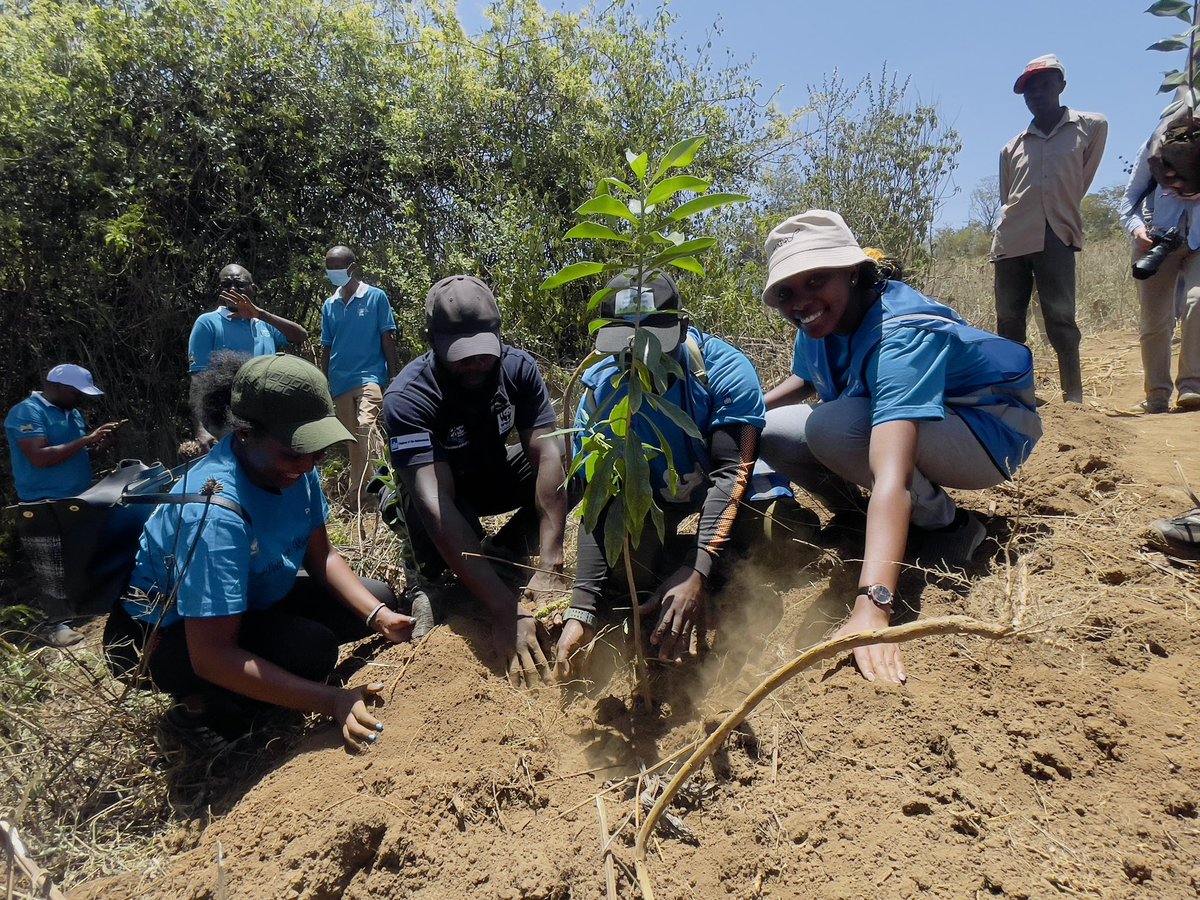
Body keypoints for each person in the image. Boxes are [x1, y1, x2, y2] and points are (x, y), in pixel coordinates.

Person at [759, 210, 1043, 685]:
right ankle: (861, 518)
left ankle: (950, 528)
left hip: (991, 436)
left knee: (833, 426)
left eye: (815, 280)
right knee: (771, 427)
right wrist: (738, 414)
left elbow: (890, 473)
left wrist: (874, 605)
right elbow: (805, 379)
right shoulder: (822, 321)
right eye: (787, 292)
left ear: (852, 271)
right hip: (937, 429)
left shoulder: (899, 332)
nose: (801, 300)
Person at [102, 354, 414, 752]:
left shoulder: (295, 466)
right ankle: (204, 713)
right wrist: (331, 699)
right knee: (311, 650)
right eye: (294, 453)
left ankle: (272, 667)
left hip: (248, 597)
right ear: (245, 433)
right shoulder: (214, 514)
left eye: (316, 451)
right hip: (165, 637)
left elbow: (321, 557)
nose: (306, 465)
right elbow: (211, 656)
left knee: (380, 597)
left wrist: (379, 616)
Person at [553, 271, 768, 677]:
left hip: (721, 494)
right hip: (656, 500)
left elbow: (731, 473)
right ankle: (675, 566)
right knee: (625, 566)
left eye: (654, 344)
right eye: (625, 346)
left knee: (771, 538)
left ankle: (704, 568)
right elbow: (600, 501)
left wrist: (697, 570)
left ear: (681, 328)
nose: (640, 359)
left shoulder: (724, 371)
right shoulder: (600, 393)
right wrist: (581, 607)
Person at [382, 275, 567, 687]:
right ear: (432, 341)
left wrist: (552, 560)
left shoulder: (518, 369)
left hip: (494, 474)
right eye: (460, 355)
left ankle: (503, 551)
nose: (475, 363)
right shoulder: (409, 397)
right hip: (447, 497)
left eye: (483, 352)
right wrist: (505, 610)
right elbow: (437, 505)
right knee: (418, 498)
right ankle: (427, 582)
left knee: (569, 457)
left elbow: (547, 452)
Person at [991, 54, 1107, 403]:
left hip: (1056, 234)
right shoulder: (1011, 147)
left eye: (1043, 85)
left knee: (1060, 316)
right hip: (1011, 240)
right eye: (1029, 89)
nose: (1036, 94)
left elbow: (1081, 179)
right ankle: (1017, 394)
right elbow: (1007, 197)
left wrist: (1060, 209)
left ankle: (1073, 396)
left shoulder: (1090, 126)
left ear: (1061, 85)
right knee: (1009, 319)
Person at [5, 363, 120, 646]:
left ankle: (86, 609)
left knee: (79, 557)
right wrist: (85, 441)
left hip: (76, 497)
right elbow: (39, 457)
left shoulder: (73, 412)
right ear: (56, 387)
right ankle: (58, 625)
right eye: (76, 392)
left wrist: (95, 447)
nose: (80, 398)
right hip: (42, 503)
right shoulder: (27, 412)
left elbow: (71, 454)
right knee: (50, 565)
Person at [1118, 128, 1200, 413]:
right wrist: (1138, 230)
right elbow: (1129, 200)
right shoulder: (1154, 145)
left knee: (1197, 301)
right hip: (1159, 240)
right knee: (1155, 321)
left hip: (1199, 242)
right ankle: (1157, 393)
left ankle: (1191, 386)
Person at [188, 263, 308, 449]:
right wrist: (202, 428)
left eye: (239, 284)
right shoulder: (208, 323)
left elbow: (299, 335)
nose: (232, 289)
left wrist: (260, 314)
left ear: (254, 289)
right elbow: (198, 378)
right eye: (226, 285)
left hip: (268, 412)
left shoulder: (263, 323)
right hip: (228, 416)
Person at [320, 245, 401, 511]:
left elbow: (386, 338)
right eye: (329, 268)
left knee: (367, 426)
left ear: (352, 268)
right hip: (340, 380)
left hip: (370, 375)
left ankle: (385, 489)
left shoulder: (376, 297)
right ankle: (359, 497)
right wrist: (324, 381)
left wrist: (394, 378)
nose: (334, 273)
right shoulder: (329, 305)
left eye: (338, 267)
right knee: (350, 438)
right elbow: (327, 346)